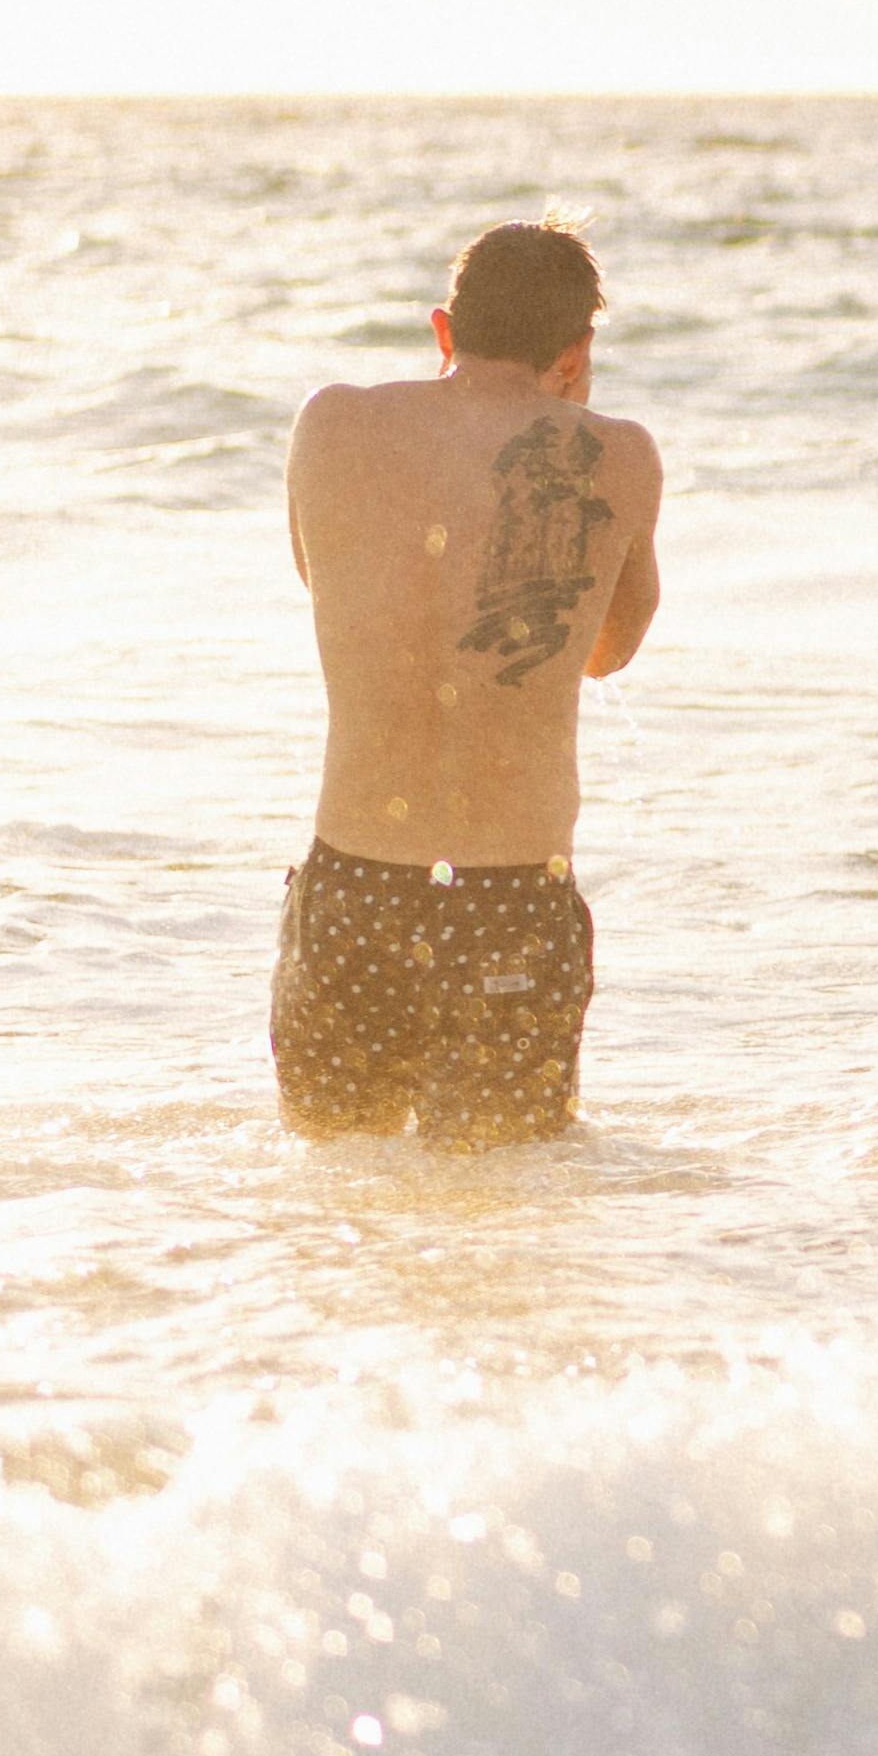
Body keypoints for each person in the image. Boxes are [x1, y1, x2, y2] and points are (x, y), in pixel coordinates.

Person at [274, 220, 665, 1139]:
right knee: (506, 1212)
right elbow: (608, 649)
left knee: (335, 1195)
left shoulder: (328, 424)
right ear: (575, 354)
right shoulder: (621, 456)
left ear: (444, 330)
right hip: (509, 901)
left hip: (355, 887)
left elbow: (320, 579)